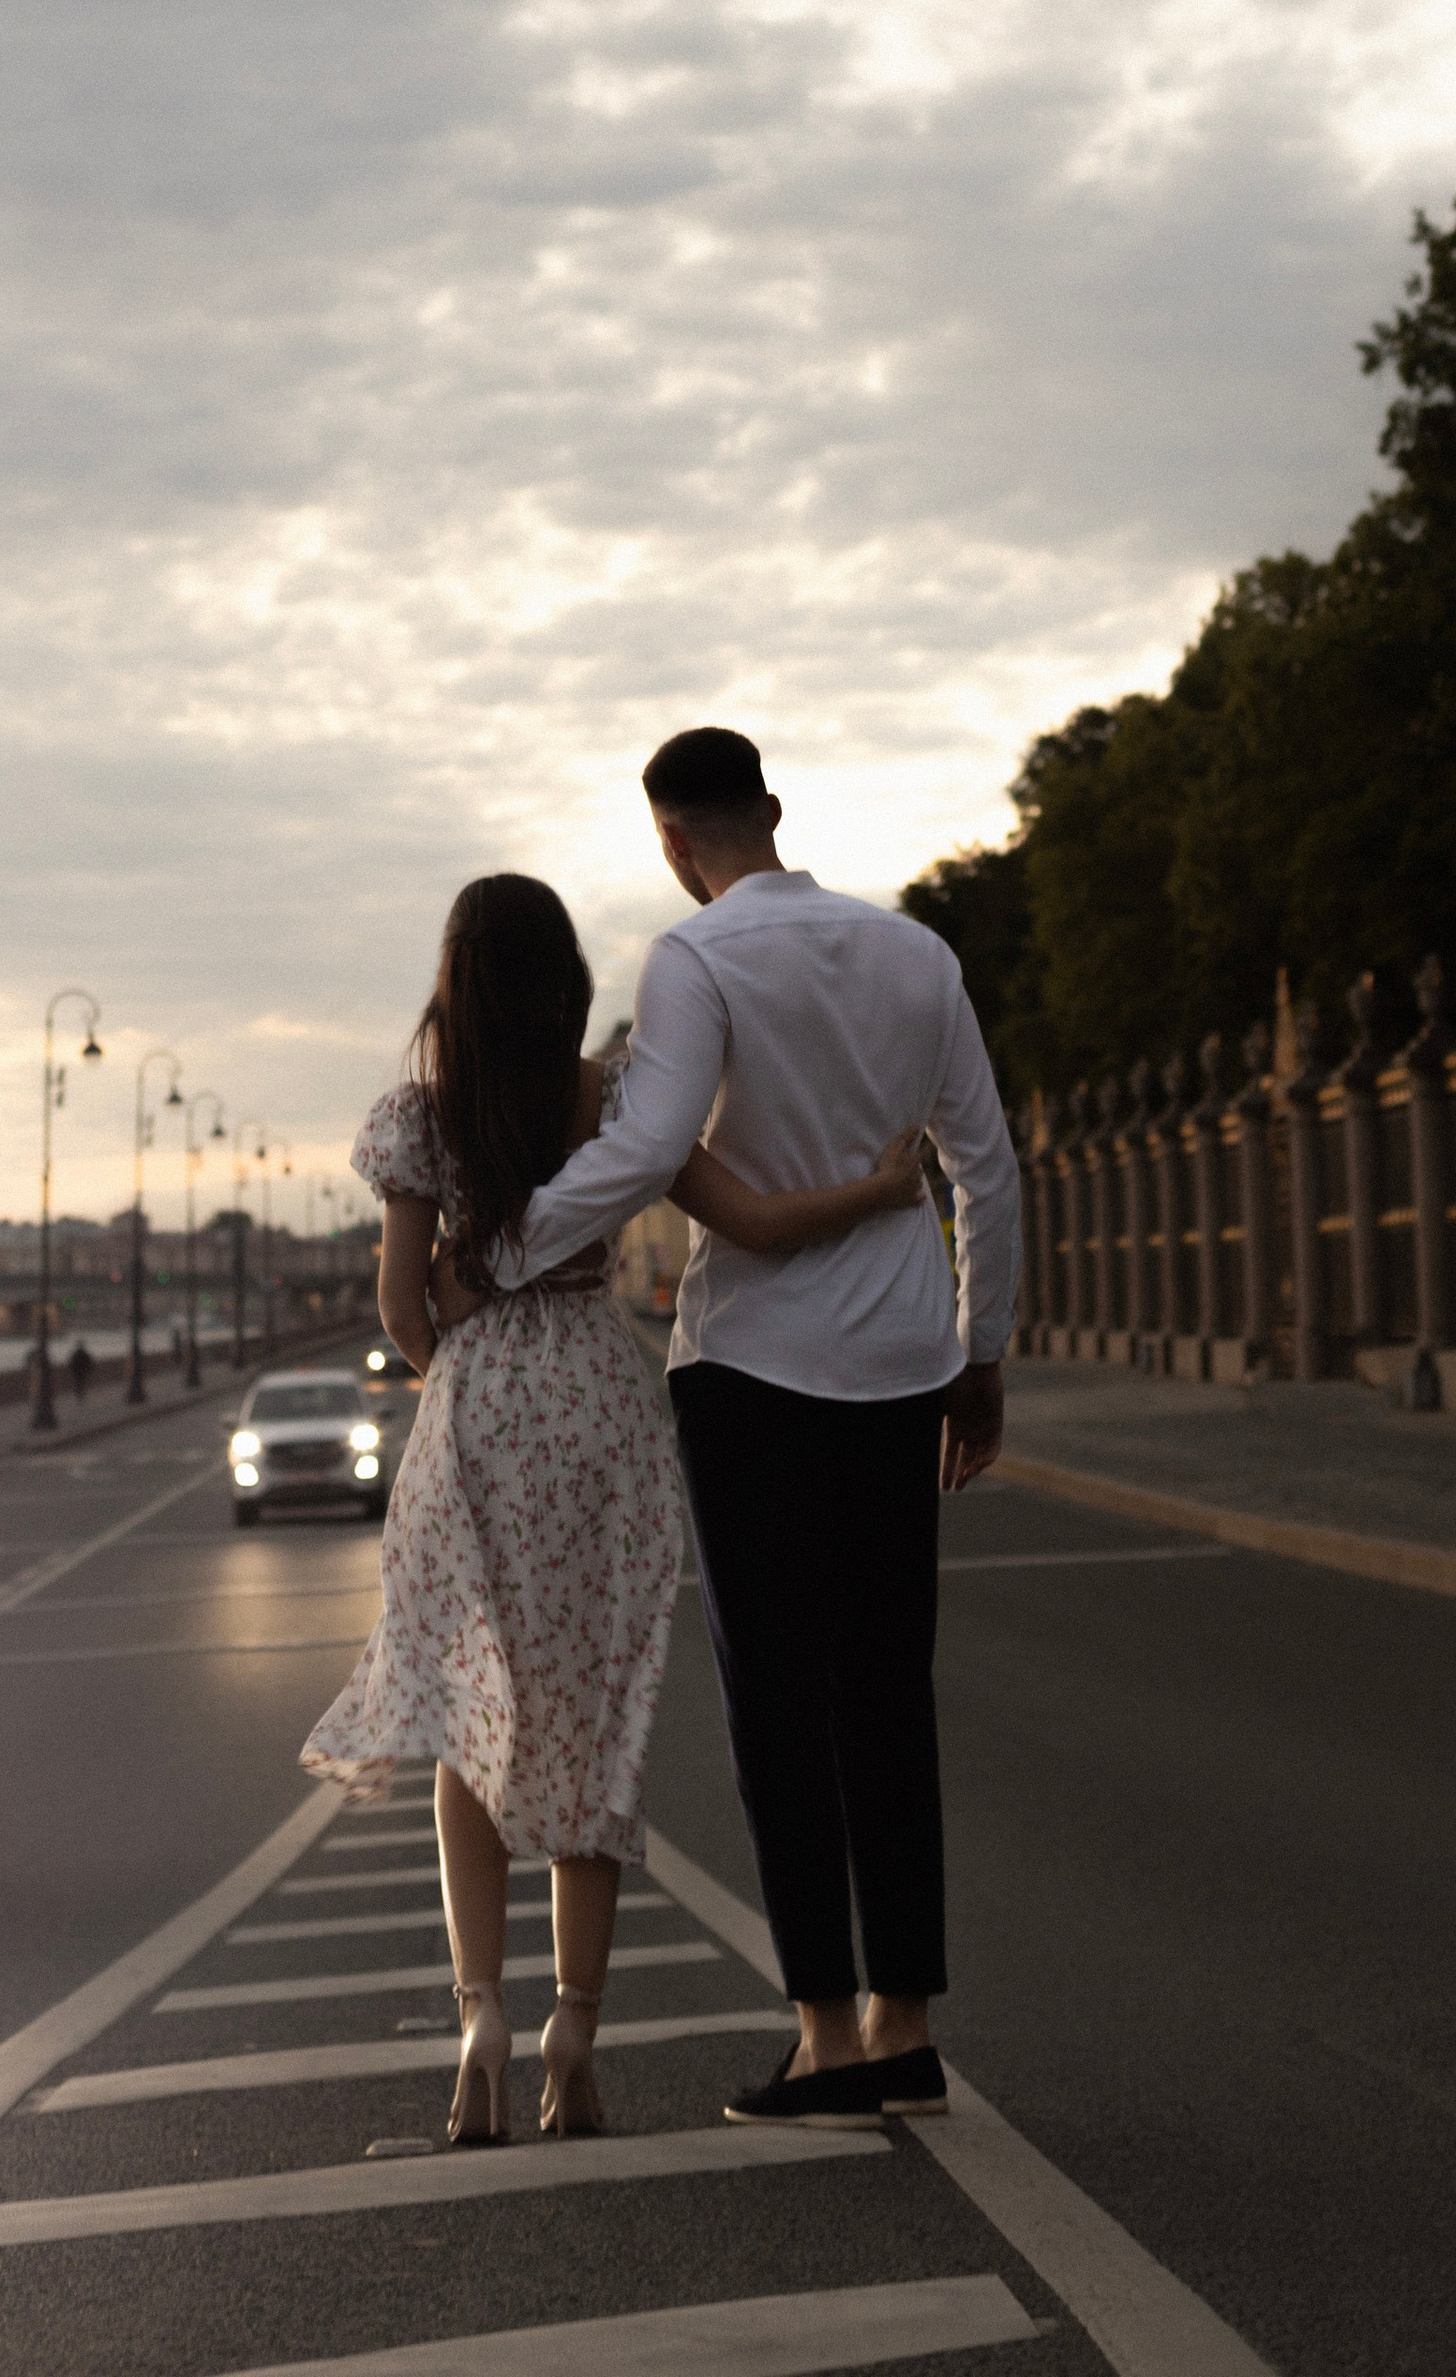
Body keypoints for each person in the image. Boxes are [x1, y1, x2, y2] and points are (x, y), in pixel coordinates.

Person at [302, 871, 926, 2147]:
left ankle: (480, 2017)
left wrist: (472, 1357)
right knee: (591, 1715)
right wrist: (875, 1192)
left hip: (476, 1420)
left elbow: (404, 1313)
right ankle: (573, 2027)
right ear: (566, 981)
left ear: (454, 979)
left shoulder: (419, 1118)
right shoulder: (609, 1097)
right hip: (598, 1407)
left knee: (474, 1725)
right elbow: (743, 1218)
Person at [489, 728, 1021, 2128]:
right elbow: (988, 1167)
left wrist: (504, 1244)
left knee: (777, 1704)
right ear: (773, 812)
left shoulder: (697, 961)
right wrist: (984, 1357)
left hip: (750, 1375)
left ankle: (827, 2037)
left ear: (671, 839)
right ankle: (909, 2026)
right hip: (905, 1364)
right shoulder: (917, 956)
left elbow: (651, 1147)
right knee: (888, 1692)